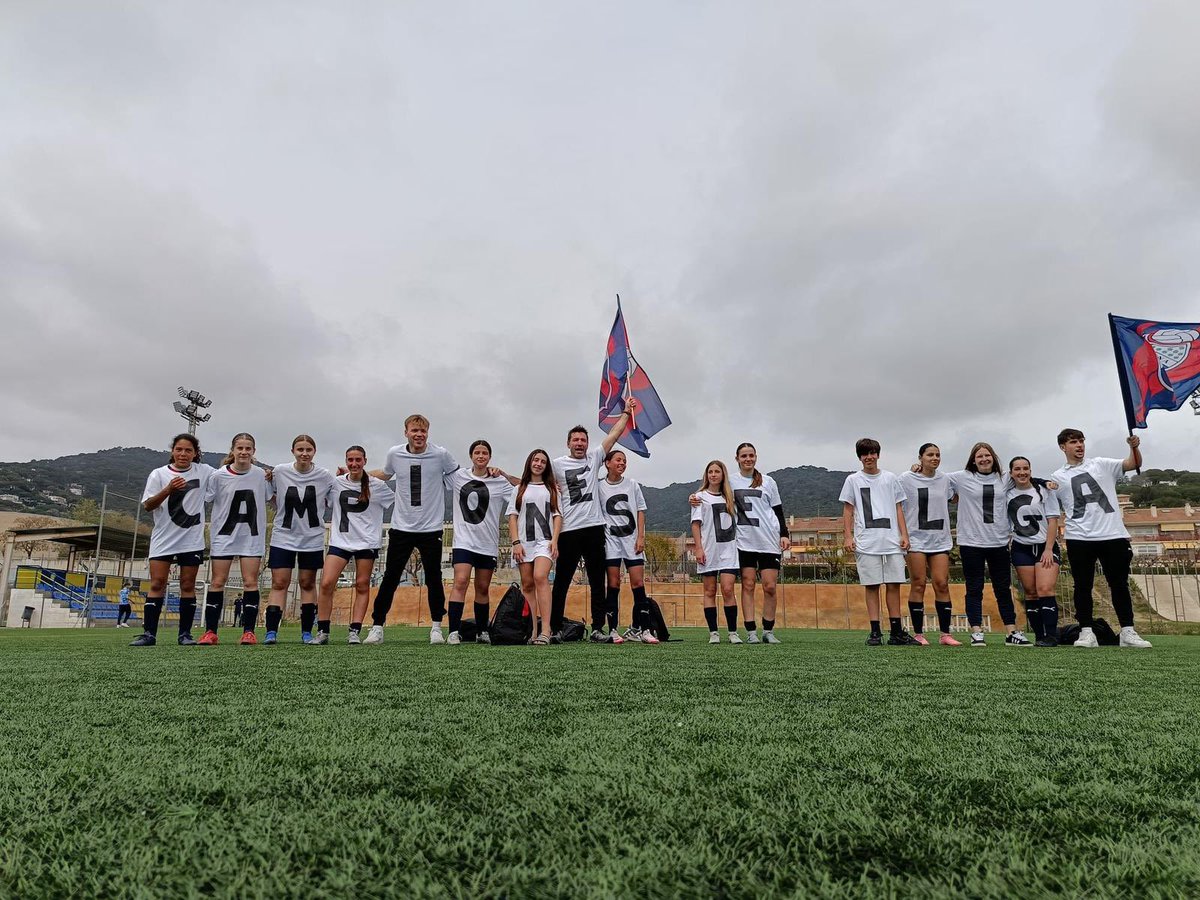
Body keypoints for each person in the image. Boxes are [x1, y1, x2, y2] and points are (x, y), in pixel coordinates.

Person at [1049, 429, 1152, 649]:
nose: (1079, 446)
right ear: (1062, 447)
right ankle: (1086, 631)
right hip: (1079, 537)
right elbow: (1048, 506)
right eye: (1074, 442)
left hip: (1112, 534)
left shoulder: (1102, 464)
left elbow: (1132, 464)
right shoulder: (1057, 477)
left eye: (1082, 441)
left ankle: (1127, 631)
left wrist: (1134, 446)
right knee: (1082, 586)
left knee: (1119, 584)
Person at [364, 414, 459, 646]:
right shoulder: (395, 453)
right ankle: (377, 627)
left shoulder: (441, 454)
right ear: (406, 432)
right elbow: (386, 474)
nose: (419, 435)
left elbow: (458, 476)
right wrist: (357, 475)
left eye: (423, 431)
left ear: (428, 433)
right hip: (401, 526)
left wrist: (489, 474)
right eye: (414, 430)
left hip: (431, 527)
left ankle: (437, 627)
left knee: (434, 578)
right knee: (390, 578)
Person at [549, 397, 637, 643]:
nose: (580, 443)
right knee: (562, 582)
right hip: (568, 530)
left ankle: (598, 627)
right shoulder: (556, 465)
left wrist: (626, 413)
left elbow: (615, 435)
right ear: (568, 443)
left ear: (588, 444)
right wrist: (500, 474)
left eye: (583, 440)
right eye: (575, 440)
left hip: (594, 528)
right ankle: (555, 628)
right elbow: (532, 479)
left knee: (598, 581)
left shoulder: (595, 458)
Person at [129, 433, 214, 647]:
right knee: (157, 583)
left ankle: (184, 634)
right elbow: (148, 505)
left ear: (195, 454)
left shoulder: (204, 472)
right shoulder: (158, 474)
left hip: (191, 539)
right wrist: (168, 489)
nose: (183, 454)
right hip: (163, 539)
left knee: (188, 585)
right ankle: (149, 634)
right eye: (179, 449)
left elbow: (228, 475)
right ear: (172, 451)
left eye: (188, 450)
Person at [945, 443, 1030, 647]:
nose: (984, 459)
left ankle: (1011, 631)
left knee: (1003, 588)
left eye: (987, 455)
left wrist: (1046, 482)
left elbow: (1026, 479)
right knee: (974, 588)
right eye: (979, 456)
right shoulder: (962, 477)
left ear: (994, 457)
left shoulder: (1004, 478)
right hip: (971, 542)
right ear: (973, 460)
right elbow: (936, 479)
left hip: (998, 541)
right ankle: (976, 631)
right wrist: (917, 467)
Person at [839, 438, 917, 646]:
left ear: (878, 455)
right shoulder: (853, 480)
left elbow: (899, 508)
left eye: (872, 453)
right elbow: (848, 509)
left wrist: (904, 535)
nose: (869, 457)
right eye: (865, 454)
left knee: (894, 584)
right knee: (871, 586)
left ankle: (896, 632)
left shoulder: (890, 478)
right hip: (866, 541)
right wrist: (848, 535)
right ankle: (875, 631)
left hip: (891, 540)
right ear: (859, 457)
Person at [312, 446, 392, 645]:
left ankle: (354, 630)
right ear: (346, 461)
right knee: (326, 583)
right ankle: (323, 631)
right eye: (350, 460)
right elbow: (324, 500)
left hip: (366, 542)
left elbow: (396, 503)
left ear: (365, 461)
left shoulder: (377, 485)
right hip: (341, 541)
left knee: (362, 584)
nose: (354, 464)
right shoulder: (336, 483)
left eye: (358, 460)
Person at [202, 433, 272, 646]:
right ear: (232, 450)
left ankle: (249, 632)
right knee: (217, 582)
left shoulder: (262, 475)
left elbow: (271, 498)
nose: (243, 452)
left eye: (248, 448)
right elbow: (205, 499)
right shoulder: (218, 476)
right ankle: (210, 632)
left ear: (253, 452)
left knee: (250, 582)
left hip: (251, 536)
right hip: (224, 536)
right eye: (240, 448)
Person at [444, 440, 518, 645]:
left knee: (483, 587)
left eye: (485, 453)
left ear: (489, 457)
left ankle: (482, 631)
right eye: (477, 452)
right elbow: (434, 476)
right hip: (464, 542)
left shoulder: (499, 481)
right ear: (471, 456)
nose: (481, 456)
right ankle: (453, 631)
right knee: (460, 581)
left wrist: (504, 474)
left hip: (487, 543)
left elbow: (524, 486)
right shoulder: (459, 476)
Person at [267, 434, 336, 644]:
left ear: (314, 452)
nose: (304, 453)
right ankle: (271, 631)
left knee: (307, 583)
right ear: (293, 451)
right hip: (283, 536)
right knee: (279, 582)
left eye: (308, 450)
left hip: (311, 537)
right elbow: (269, 495)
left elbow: (336, 497)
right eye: (300, 449)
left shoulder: (324, 475)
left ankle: (306, 631)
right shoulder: (280, 471)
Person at [898, 443, 960, 646]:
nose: (935, 458)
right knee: (918, 583)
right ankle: (918, 634)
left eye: (938, 455)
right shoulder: (907, 478)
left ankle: (945, 634)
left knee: (942, 583)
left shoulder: (945, 479)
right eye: (930, 455)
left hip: (939, 539)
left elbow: (956, 497)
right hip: (916, 539)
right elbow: (895, 501)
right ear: (920, 458)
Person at [729, 443, 789, 644]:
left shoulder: (768, 481)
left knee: (770, 586)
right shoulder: (730, 481)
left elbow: (778, 510)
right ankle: (751, 631)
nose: (748, 459)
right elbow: (711, 493)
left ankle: (768, 630)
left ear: (756, 457)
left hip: (768, 539)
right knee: (748, 584)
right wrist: (694, 498)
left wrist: (784, 533)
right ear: (737, 458)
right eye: (744, 456)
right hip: (745, 539)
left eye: (751, 455)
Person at [597, 449, 657, 644]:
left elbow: (641, 511)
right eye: (618, 460)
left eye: (624, 461)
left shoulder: (632, 485)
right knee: (613, 585)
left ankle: (644, 629)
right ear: (607, 463)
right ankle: (613, 629)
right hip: (612, 542)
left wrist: (641, 536)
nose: (622, 463)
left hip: (631, 541)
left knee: (638, 584)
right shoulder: (599, 487)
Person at [1006, 456, 1062, 648]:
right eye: (1017, 469)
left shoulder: (1044, 491)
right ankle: (1039, 636)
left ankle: (1052, 635)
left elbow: (1053, 520)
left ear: (1031, 470)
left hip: (1044, 546)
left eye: (1026, 468)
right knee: (1030, 592)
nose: (1022, 472)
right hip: (1021, 546)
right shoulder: (1007, 493)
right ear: (1011, 473)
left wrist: (1048, 548)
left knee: (1045, 589)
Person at [508, 449, 562, 645]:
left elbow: (557, 516)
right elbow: (512, 518)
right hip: (524, 543)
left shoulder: (552, 490)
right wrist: (516, 543)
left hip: (544, 542)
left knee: (540, 577)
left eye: (542, 461)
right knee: (527, 584)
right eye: (535, 460)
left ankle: (546, 629)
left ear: (546, 466)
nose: (538, 463)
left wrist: (554, 540)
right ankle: (531, 630)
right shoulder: (519, 489)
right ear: (529, 462)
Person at [691, 460, 742, 644]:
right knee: (710, 590)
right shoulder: (699, 497)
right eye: (710, 471)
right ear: (707, 475)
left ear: (723, 475)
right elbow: (696, 525)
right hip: (709, 550)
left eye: (717, 471)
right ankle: (713, 632)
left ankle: (733, 632)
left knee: (728, 589)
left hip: (729, 549)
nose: (713, 474)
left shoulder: (731, 497)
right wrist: (698, 548)